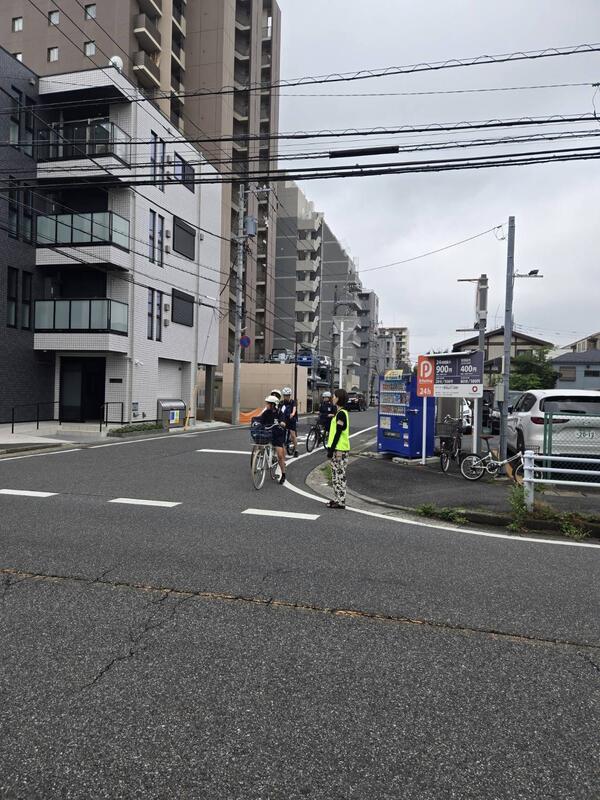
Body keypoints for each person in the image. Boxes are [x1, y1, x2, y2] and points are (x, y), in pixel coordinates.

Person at [326, 388, 350, 509]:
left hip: (340, 449)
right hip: (338, 448)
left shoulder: (341, 414)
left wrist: (331, 450)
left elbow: (338, 432)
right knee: (335, 475)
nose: (333, 398)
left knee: (339, 475)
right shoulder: (340, 412)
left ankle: (341, 501)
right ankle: (337, 499)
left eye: (335, 396)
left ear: (339, 398)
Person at [257, 394, 287, 484]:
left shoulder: (279, 413)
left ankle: (283, 474)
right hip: (268, 433)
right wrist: (257, 423)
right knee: (260, 443)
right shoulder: (266, 413)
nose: (266, 405)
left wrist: (282, 423)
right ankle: (261, 458)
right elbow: (261, 421)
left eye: (268, 403)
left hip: (278, 434)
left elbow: (283, 422)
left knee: (280, 456)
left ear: (273, 405)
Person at [280, 387, 299, 457]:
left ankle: (296, 450)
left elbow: (294, 408)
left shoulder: (293, 402)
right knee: (281, 434)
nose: (286, 397)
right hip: (284, 420)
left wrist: (293, 414)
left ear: (289, 395)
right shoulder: (281, 403)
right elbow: (280, 410)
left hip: (291, 419)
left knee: (293, 434)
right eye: (285, 395)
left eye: (287, 395)